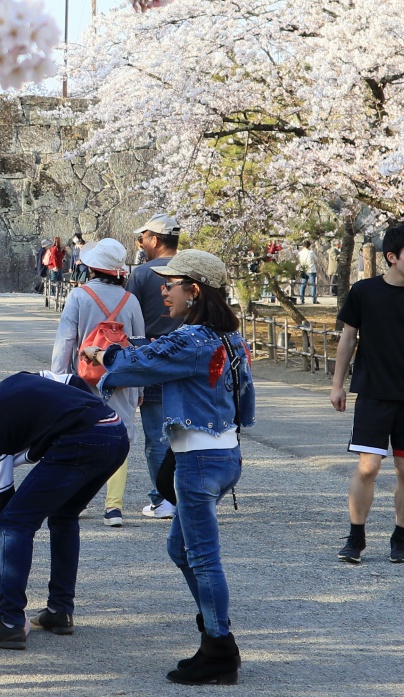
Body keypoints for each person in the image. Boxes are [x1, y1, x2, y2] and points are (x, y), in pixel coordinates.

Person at [93, 248, 254, 685]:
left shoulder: (192, 339)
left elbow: (134, 363)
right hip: (222, 453)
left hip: (199, 460)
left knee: (202, 557)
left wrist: (103, 354)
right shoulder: (227, 338)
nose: (164, 289)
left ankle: (219, 648)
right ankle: (216, 639)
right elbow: (244, 401)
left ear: (195, 290)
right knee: (181, 550)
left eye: (172, 283)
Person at [0, 372, 129, 649]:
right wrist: (85, 411)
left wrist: (10, 559)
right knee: (64, 515)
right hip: (114, 431)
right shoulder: (12, 384)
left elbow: (3, 511)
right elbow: (72, 380)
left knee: (13, 522)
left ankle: (8, 622)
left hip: (83, 440)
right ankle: (59, 611)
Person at [329, 223, 404, 565]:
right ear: (392, 257)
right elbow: (348, 339)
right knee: (367, 468)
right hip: (373, 393)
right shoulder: (364, 292)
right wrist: (338, 384)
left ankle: (401, 539)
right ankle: (356, 537)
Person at [51, 238, 146, 526]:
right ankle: (113, 508)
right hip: (122, 378)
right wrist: (140, 387)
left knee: (83, 435)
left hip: (84, 377)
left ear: (92, 268)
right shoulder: (131, 301)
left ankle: (78, 499)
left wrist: (58, 378)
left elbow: (66, 339)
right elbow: (140, 346)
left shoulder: (79, 297)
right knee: (121, 436)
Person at [127, 213, 182, 518]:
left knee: (157, 435)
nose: (141, 243)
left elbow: (129, 319)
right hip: (190, 358)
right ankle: (188, 494)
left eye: (143, 238)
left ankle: (162, 498)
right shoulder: (191, 269)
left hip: (153, 356)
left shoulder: (142, 274)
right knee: (189, 430)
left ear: (155, 240)